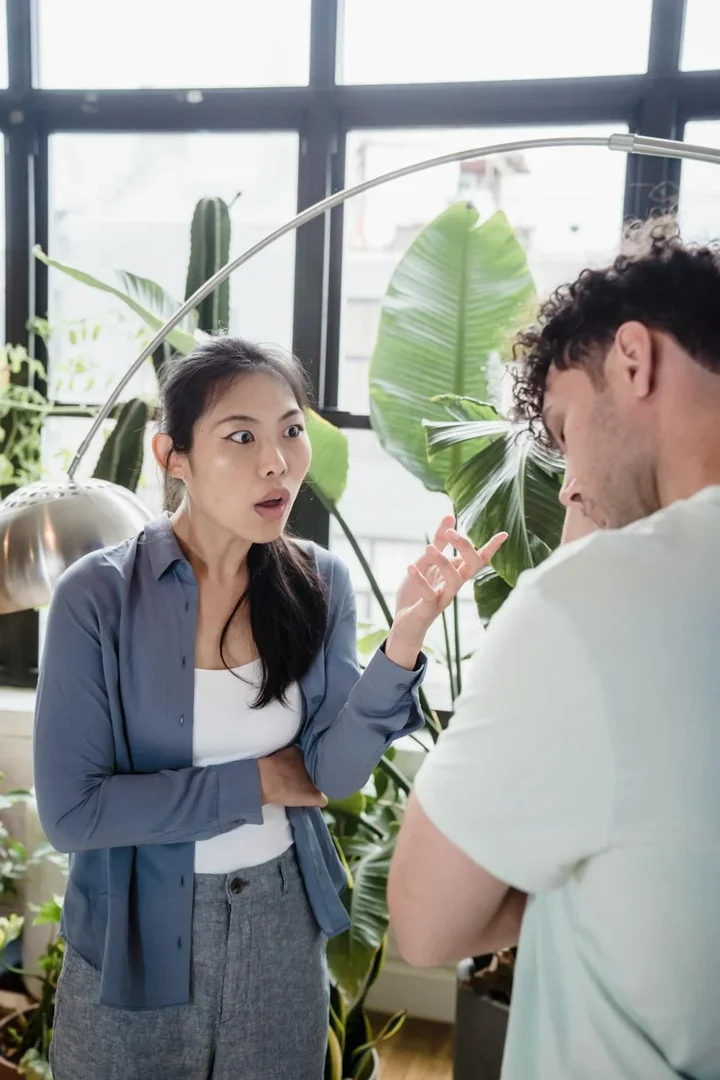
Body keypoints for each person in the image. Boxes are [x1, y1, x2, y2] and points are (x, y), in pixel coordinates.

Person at [33, 336, 505, 1080]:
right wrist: (255, 781)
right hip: (133, 935)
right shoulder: (96, 597)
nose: (277, 462)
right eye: (241, 437)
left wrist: (406, 637)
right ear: (172, 457)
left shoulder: (319, 582)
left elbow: (332, 773)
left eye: (290, 430)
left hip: (278, 925)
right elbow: (73, 814)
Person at [388, 219, 720, 1080]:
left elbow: (425, 923)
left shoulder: (590, 603)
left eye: (568, 431)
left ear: (634, 359)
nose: (569, 482)